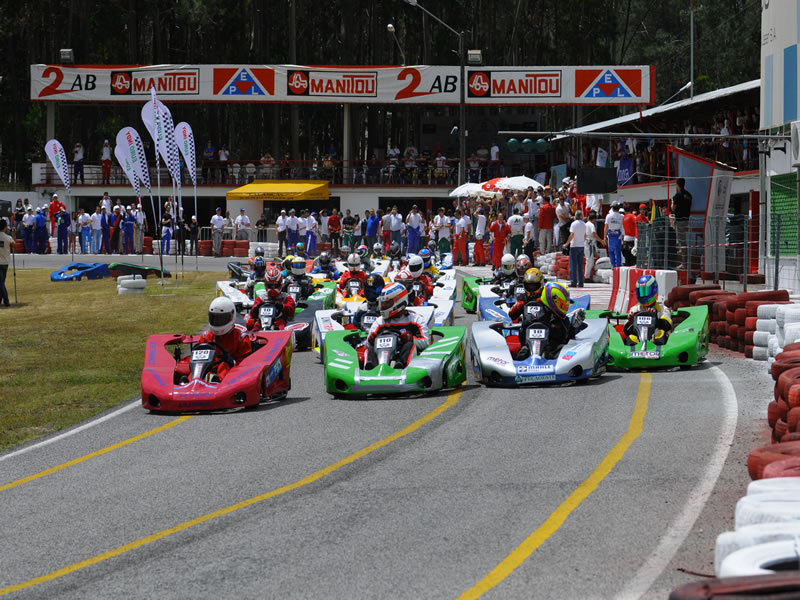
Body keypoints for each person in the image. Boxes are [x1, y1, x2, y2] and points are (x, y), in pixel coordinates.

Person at [359, 282, 430, 370]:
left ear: (399, 301)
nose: (383, 306)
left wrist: (410, 338)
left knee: (409, 345)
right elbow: (367, 345)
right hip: (380, 358)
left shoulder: (416, 319)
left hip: (404, 359)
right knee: (370, 348)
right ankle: (370, 369)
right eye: (382, 303)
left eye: (387, 303)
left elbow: (425, 342)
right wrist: (371, 340)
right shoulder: (379, 322)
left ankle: (400, 367)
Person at [189, 297, 252, 382]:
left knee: (223, 365)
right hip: (206, 369)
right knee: (194, 366)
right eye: (215, 319)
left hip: (231, 375)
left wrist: (231, 361)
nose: (218, 322)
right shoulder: (206, 337)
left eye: (221, 319)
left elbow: (245, 366)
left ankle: (217, 381)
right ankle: (188, 383)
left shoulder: (241, 338)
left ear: (232, 316)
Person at [516, 282, 584, 360]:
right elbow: (522, 337)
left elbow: (568, 341)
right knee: (522, 352)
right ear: (554, 300)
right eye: (563, 302)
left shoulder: (563, 320)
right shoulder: (534, 317)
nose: (565, 305)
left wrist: (573, 327)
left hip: (556, 355)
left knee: (568, 350)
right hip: (530, 354)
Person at [623, 274, 672, 345]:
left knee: (661, 334)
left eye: (646, 292)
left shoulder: (662, 308)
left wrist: (655, 318)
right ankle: (633, 350)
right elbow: (627, 331)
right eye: (642, 292)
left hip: (655, 338)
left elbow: (667, 325)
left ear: (654, 290)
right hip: (638, 340)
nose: (644, 296)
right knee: (630, 338)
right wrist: (631, 322)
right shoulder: (635, 309)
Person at [671, 177, 693, 269]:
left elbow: (673, 209)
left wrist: (672, 202)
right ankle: (683, 259)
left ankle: (684, 263)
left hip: (680, 220)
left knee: (682, 242)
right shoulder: (689, 195)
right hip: (687, 220)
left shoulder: (677, 195)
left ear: (677, 185)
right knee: (682, 241)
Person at [562, 210, 587, 287]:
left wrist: (567, 244)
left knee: (573, 265)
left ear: (575, 216)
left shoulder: (573, 224)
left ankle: (573, 281)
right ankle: (580, 282)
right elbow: (585, 235)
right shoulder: (584, 224)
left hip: (574, 246)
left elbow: (572, 235)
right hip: (581, 246)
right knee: (580, 265)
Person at [584, 210, 604, 282]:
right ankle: (587, 277)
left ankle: (587, 276)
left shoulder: (586, 224)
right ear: (594, 219)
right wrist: (601, 241)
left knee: (590, 260)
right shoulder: (591, 225)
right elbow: (594, 234)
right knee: (589, 261)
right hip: (589, 244)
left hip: (586, 243)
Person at [604, 201, 624, 268]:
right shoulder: (621, 216)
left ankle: (613, 265)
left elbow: (606, 227)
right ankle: (618, 266)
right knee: (618, 251)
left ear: (612, 208)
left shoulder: (608, 216)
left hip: (611, 235)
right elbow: (623, 227)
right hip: (618, 235)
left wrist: (604, 237)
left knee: (611, 251)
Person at [0, 219, 12, 306]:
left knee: (1, 283)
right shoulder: (8, 237)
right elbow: (14, 244)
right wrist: (13, 234)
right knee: (1, 282)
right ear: (5, 227)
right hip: (5, 262)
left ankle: (6, 301)